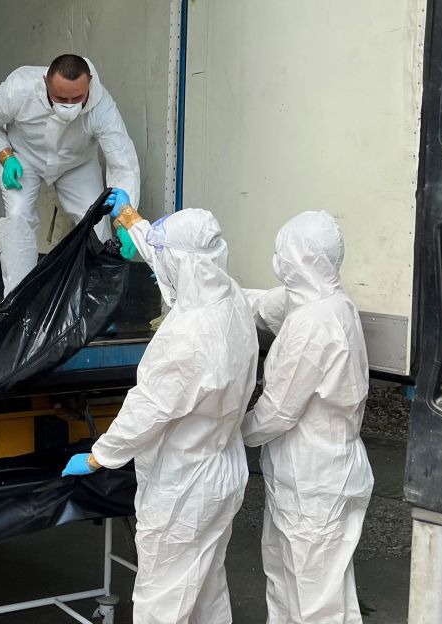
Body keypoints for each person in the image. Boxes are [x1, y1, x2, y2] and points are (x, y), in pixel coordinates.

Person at [62, 202, 258, 624]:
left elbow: (147, 409)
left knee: (163, 600)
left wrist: (101, 455)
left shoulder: (188, 336)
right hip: (222, 467)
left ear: (184, 264)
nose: (159, 267)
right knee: (205, 584)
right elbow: (170, 260)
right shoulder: (230, 299)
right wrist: (133, 222)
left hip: (182, 484)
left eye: (165, 258)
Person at [241, 211, 373, 623]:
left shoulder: (312, 324)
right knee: (288, 581)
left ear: (300, 260)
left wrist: (228, 432)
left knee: (317, 601)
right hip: (315, 475)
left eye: (284, 253)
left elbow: (278, 411)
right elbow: (262, 303)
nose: (278, 261)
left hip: (313, 481)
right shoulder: (331, 302)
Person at [0, 54, 141, 295]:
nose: (69, 105)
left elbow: (122, 160)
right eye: (61, 98)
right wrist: (5, 155)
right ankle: (17, 302)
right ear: (45, 82)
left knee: (96, 221)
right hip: (24, 159)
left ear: (90, 83)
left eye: (77, 98)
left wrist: (127, 218)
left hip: (77, 164)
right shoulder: (19, 90)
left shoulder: (103, 107)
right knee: (18, 218)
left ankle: (95, 303)